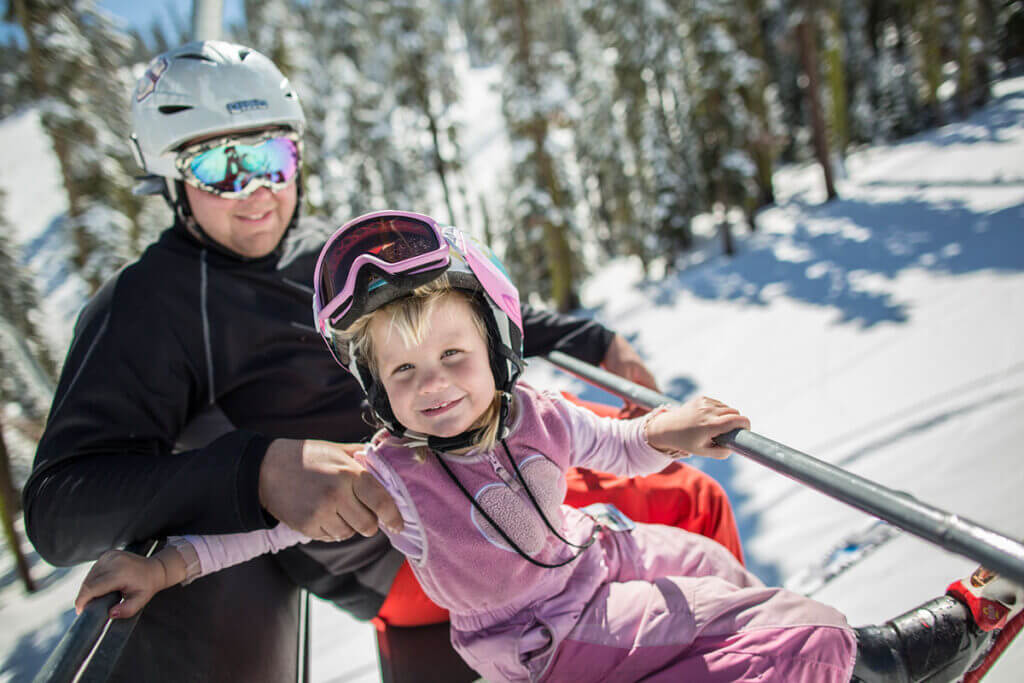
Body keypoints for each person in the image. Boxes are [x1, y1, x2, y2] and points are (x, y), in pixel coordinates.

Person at [23, 41, 741, 681]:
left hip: (466, 459)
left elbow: (453, 303)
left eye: (273, 157)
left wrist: (589, 339)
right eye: (219, 166)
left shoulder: (321, 258)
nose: (258, 191)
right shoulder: (152, 303)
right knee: (686, 499)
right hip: (401, 534)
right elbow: (60, 506)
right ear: (172, 178)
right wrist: (258, 468)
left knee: (674, 478)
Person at [75, 213, 1023, 682]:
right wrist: (172, 566)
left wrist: (672, 428)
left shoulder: (535, 413)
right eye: (404, 376)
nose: (435, 386)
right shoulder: (392, 476)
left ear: (494, 346)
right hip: (550, 644)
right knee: (796, 637)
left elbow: (619, 440)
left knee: (723, 573)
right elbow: (264, 535)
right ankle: (876, 662)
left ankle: (842, 658)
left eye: (453, 355)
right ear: (376, 393)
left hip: (610, 566)